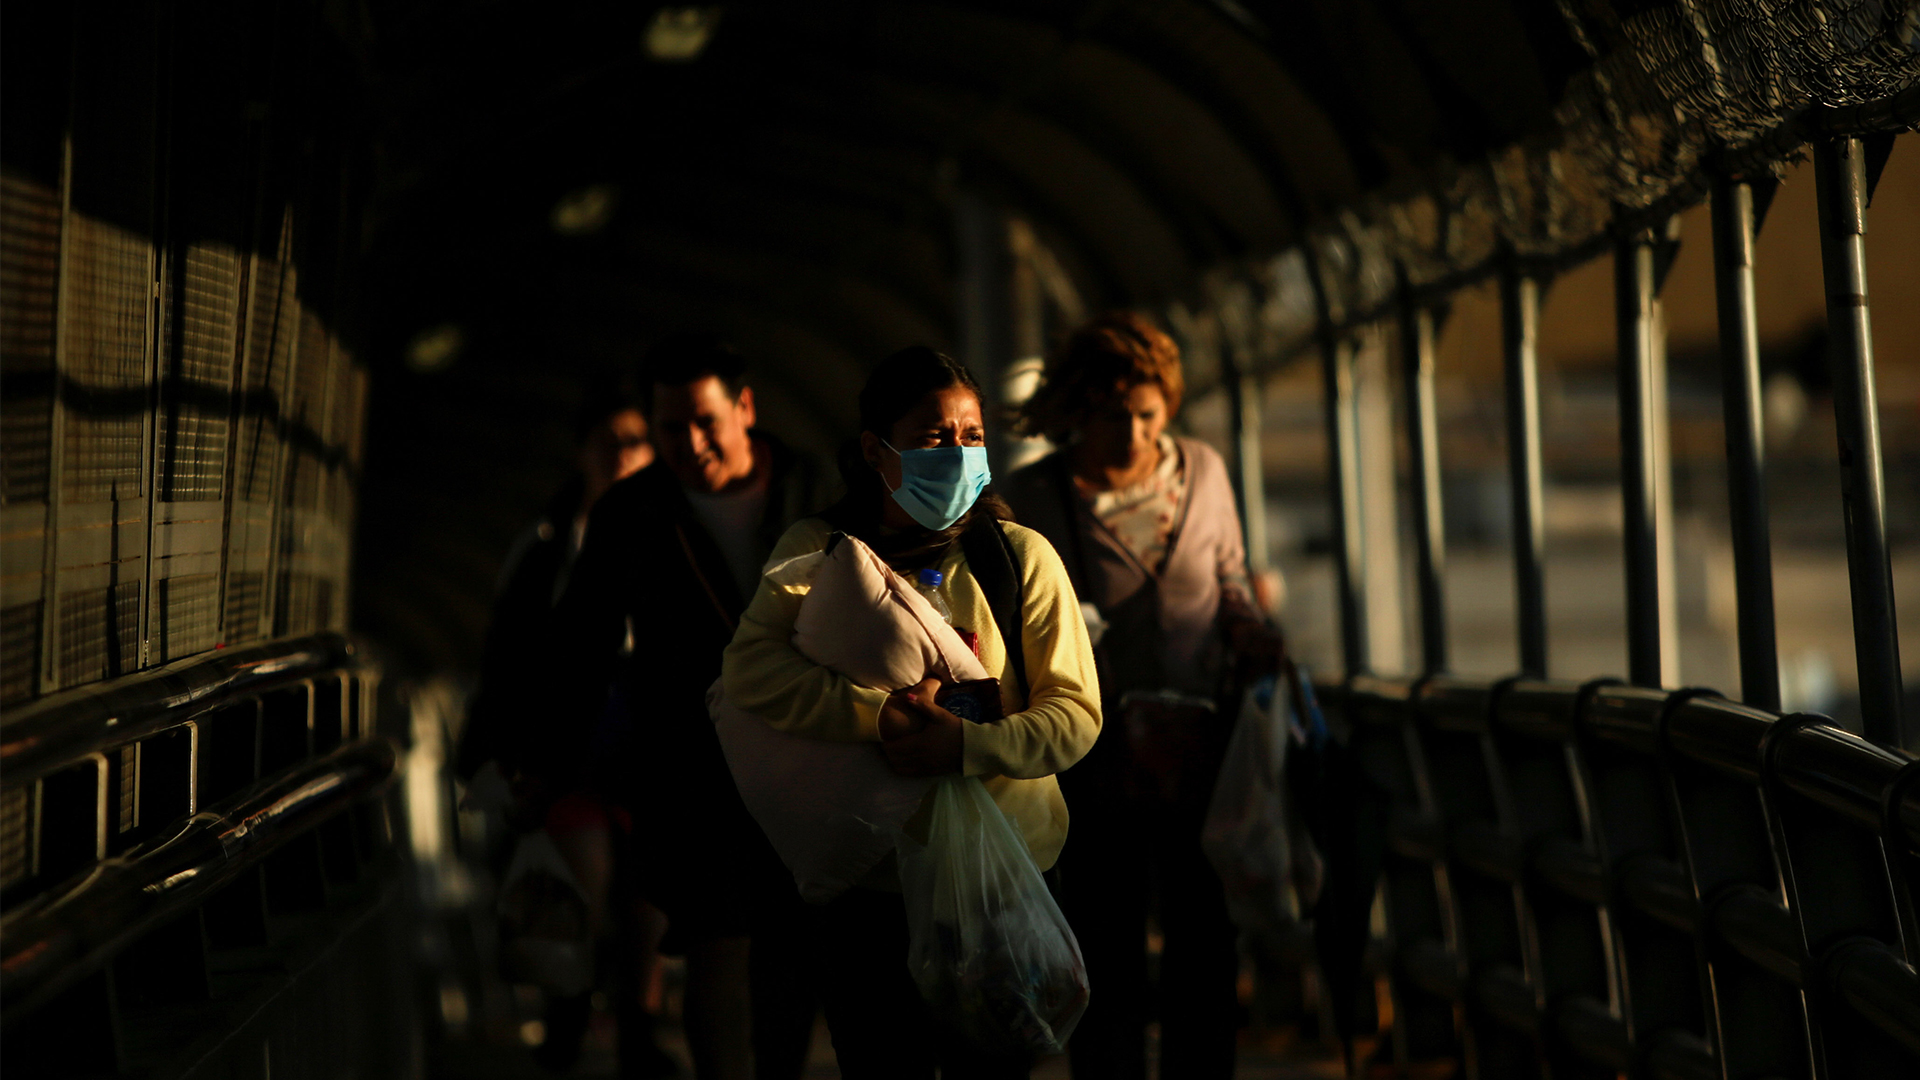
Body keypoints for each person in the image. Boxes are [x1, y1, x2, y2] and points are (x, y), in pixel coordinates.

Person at [719, 346, 1102, 1080]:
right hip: (870, 881)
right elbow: (750, 671)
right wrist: (879, 717)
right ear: (875, 450)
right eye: (933, 437)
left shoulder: (1019, 559)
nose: (957, 454)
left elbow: (1075, 715)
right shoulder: (819, 553)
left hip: (1002, 882)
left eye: (970, 436)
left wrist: (966, 746)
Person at [1003, 312, 1283, 1080]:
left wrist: (1253, 630)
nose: (1131, 433)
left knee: (1205, 935)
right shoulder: (1034, 498)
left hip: (1203, 751)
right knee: (1104, 940)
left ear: (1170, 410)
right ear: (1076, 413)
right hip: (1091, 760)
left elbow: (1229, 576)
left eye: (1147, 414)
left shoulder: (1204, 472)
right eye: (1109, 415)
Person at [540, 336, 828, 1080]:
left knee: (793, 953)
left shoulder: (815, 489)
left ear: (745, 408)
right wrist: (537, 765)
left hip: (813, 757)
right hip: (692, 765)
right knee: (716, 943)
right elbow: (583, 646)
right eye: (670, 428)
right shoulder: (631, 515)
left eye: (705, 421)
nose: (690, 443)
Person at [455, 378, 676, 1078]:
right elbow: (505, 654)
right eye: (607, 443)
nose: (622, 455)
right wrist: (496, 752)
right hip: (570, 738)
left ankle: (638, 1026)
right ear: (581, 452)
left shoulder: (679, 530)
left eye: (637, 441)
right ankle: (568, 1022)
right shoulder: (548, 544)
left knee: (652, 892)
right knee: (578, 885)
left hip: (654, 735)